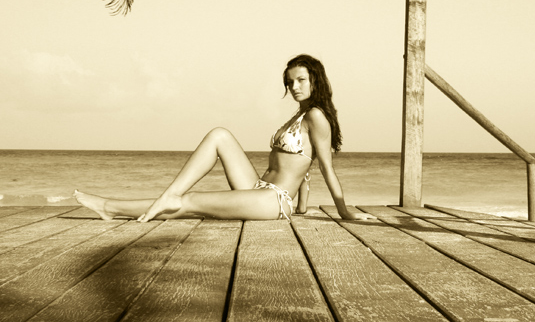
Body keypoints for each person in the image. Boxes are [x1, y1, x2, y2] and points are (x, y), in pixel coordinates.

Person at [74, 54, 370, 222]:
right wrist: (304, 205)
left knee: (190, 203)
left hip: (272, 200)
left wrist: (346, 213)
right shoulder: (298, 116)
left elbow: (325, 167)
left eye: (301, 80)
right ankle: (168, 194)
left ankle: (110, 207)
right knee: (220, 135)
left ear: (315, 79)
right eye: (289, 82)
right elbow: (304, 168)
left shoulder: (317, 116)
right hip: (258, 187)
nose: (294, 86)